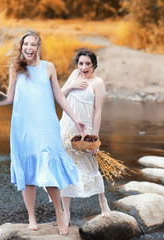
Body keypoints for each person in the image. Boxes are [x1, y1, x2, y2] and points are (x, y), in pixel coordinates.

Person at [0, 31, 86, 235]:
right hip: (22, 126)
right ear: (21, 47)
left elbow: (59, 97)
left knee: (50, 171)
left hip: (46, 126)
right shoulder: (16, 69)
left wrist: (75, 119)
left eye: (33, 44)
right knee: (27, 174)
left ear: (39, 47)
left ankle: (59, 213)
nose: (29, 47)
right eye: (25, 44)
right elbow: (9, 98)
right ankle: (31, 217)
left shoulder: (49, 67)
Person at [59, 48, 110, 225]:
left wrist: (94, 139)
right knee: (65, 169)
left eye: (88, 63)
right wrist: (72, 85)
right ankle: (66, 212)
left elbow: (98, 113)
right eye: (81, 63)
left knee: (91, 165)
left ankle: (102, 201)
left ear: (94, 64)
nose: (84, 67)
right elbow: (60, 96)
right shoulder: (74, 75)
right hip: (66, 128)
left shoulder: (98, 83)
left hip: (85, 132)